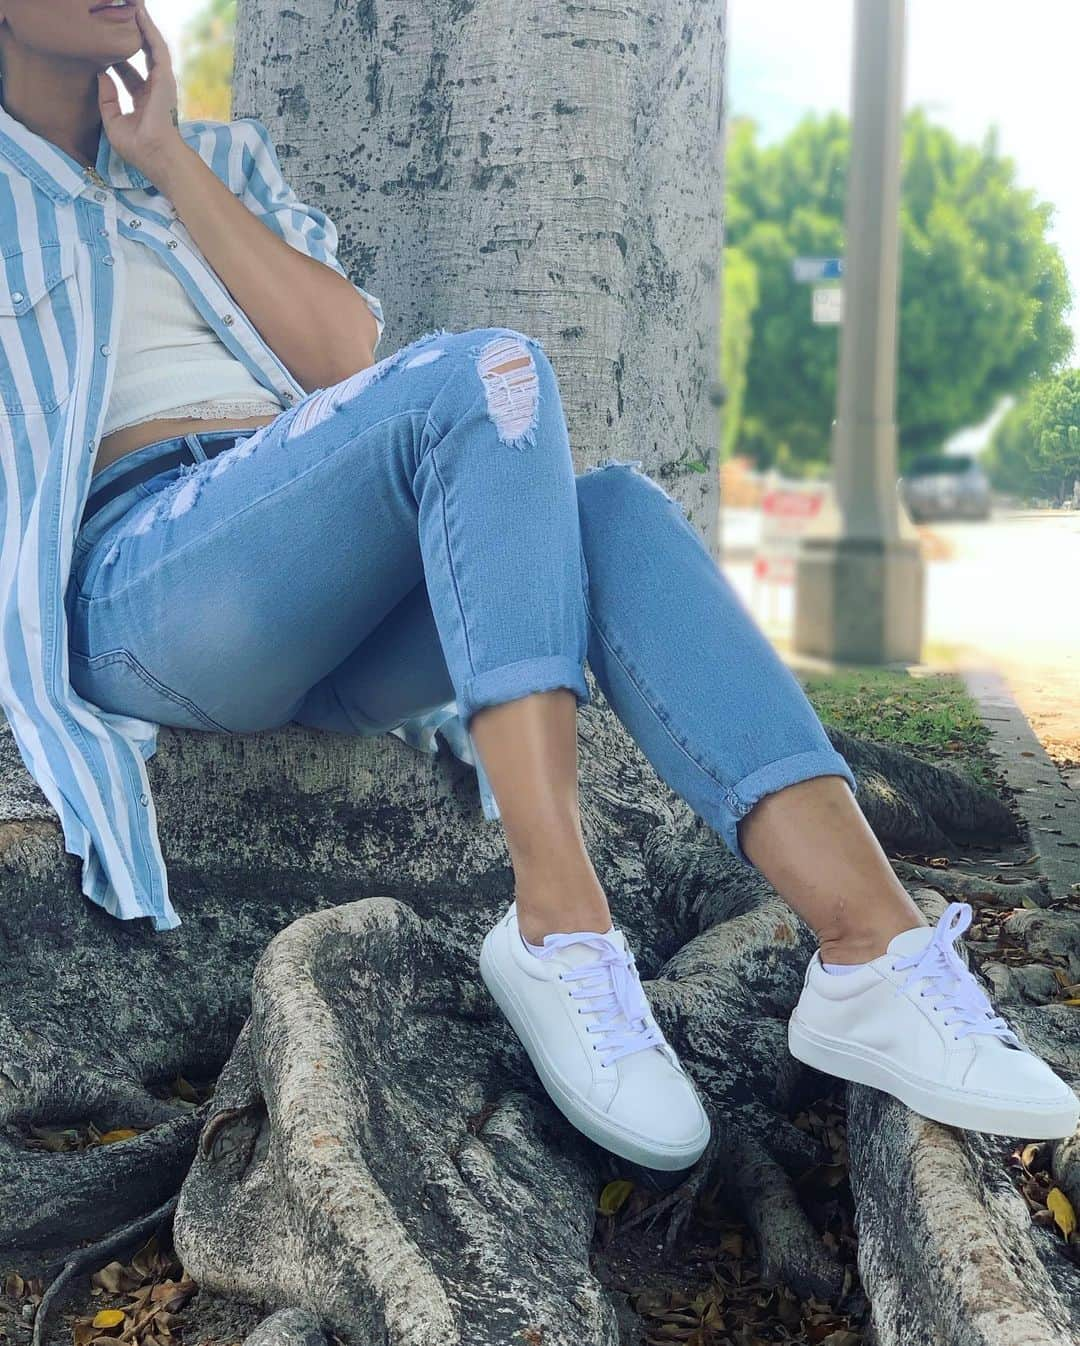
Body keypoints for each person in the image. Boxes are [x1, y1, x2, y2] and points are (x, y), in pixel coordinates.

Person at [0, 0, 1075, 1173]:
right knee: (488, 369)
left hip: (323, 559)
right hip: (144, 575)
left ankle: (873, 953)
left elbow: (342, 361)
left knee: (610, 509)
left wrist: (165, 159)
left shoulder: (219, 160)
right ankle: (561, 920)